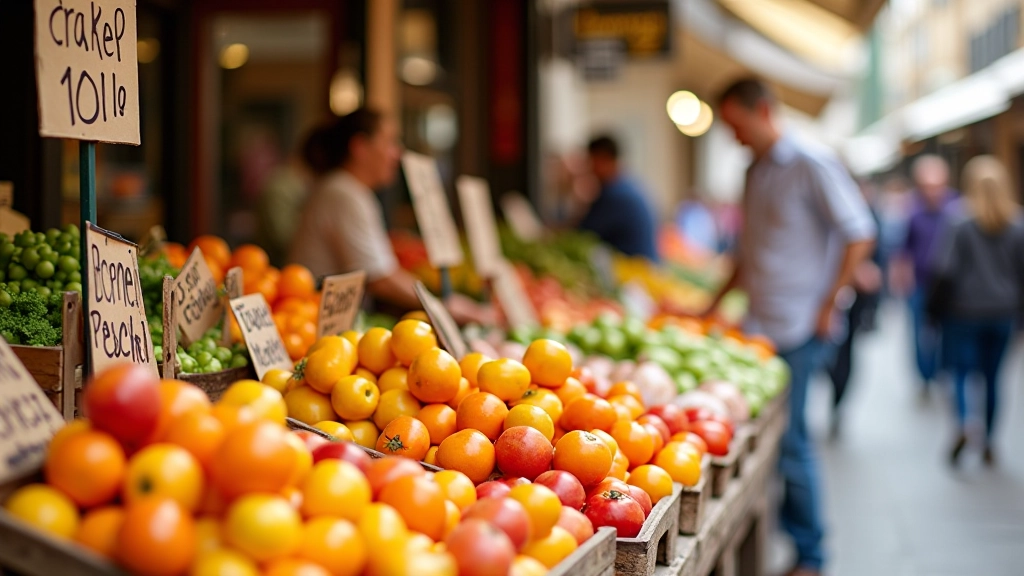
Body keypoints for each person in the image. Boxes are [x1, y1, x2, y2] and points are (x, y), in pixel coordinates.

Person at [706, 78, 876, 576]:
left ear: (763, 111)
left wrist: (829, 302)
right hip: (758, 327)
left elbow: (859, 233)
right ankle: (791, 542)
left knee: (793, 440)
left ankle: (810, 554)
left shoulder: (810, 162)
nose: (734, 136)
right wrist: (712, 304)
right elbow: (747, 251)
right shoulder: (752, 171)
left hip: (801, 326)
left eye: (737, 125)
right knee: (769, 440)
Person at [289, 108, 494, 324]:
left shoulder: (350, 191)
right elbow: (380, 278)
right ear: (360, 147)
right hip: (309, 322)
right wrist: (441, 307)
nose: (398, 153)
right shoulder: (343, 194)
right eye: (390, 142)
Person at [929, 155, 1024, 466]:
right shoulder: (1017, 224)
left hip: (964, 311)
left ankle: (964, 423)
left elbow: (945, 269)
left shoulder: (959, 221)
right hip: (1003, 312)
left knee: (960, 373)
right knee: (993, 379)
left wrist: (933, 309)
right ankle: (990, 439)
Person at [894, 155, 957, 395]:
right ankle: (925, 376)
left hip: (949, 285)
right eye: (927, 186)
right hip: (920, 282)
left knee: (947, 331)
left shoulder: (957, 208)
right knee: (919, 333)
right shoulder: (912, 210)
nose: (932, 192)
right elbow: (904, 248)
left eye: (936, 186)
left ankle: (942, 373)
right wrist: (902, 277)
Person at [826, 179, 883, 439]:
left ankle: (838, 402)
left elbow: (874, 248)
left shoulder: (866, 214)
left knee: (844, 352)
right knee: (832, 354)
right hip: (829, 291)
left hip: (851, 297)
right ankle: (835, 398)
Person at [578, 136, 660, 261]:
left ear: (602, 158)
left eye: (591, 161)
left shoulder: (615, 195)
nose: (589, 168)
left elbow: (583, 234)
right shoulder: (626, 185)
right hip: (642, 264)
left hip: (634, 269)